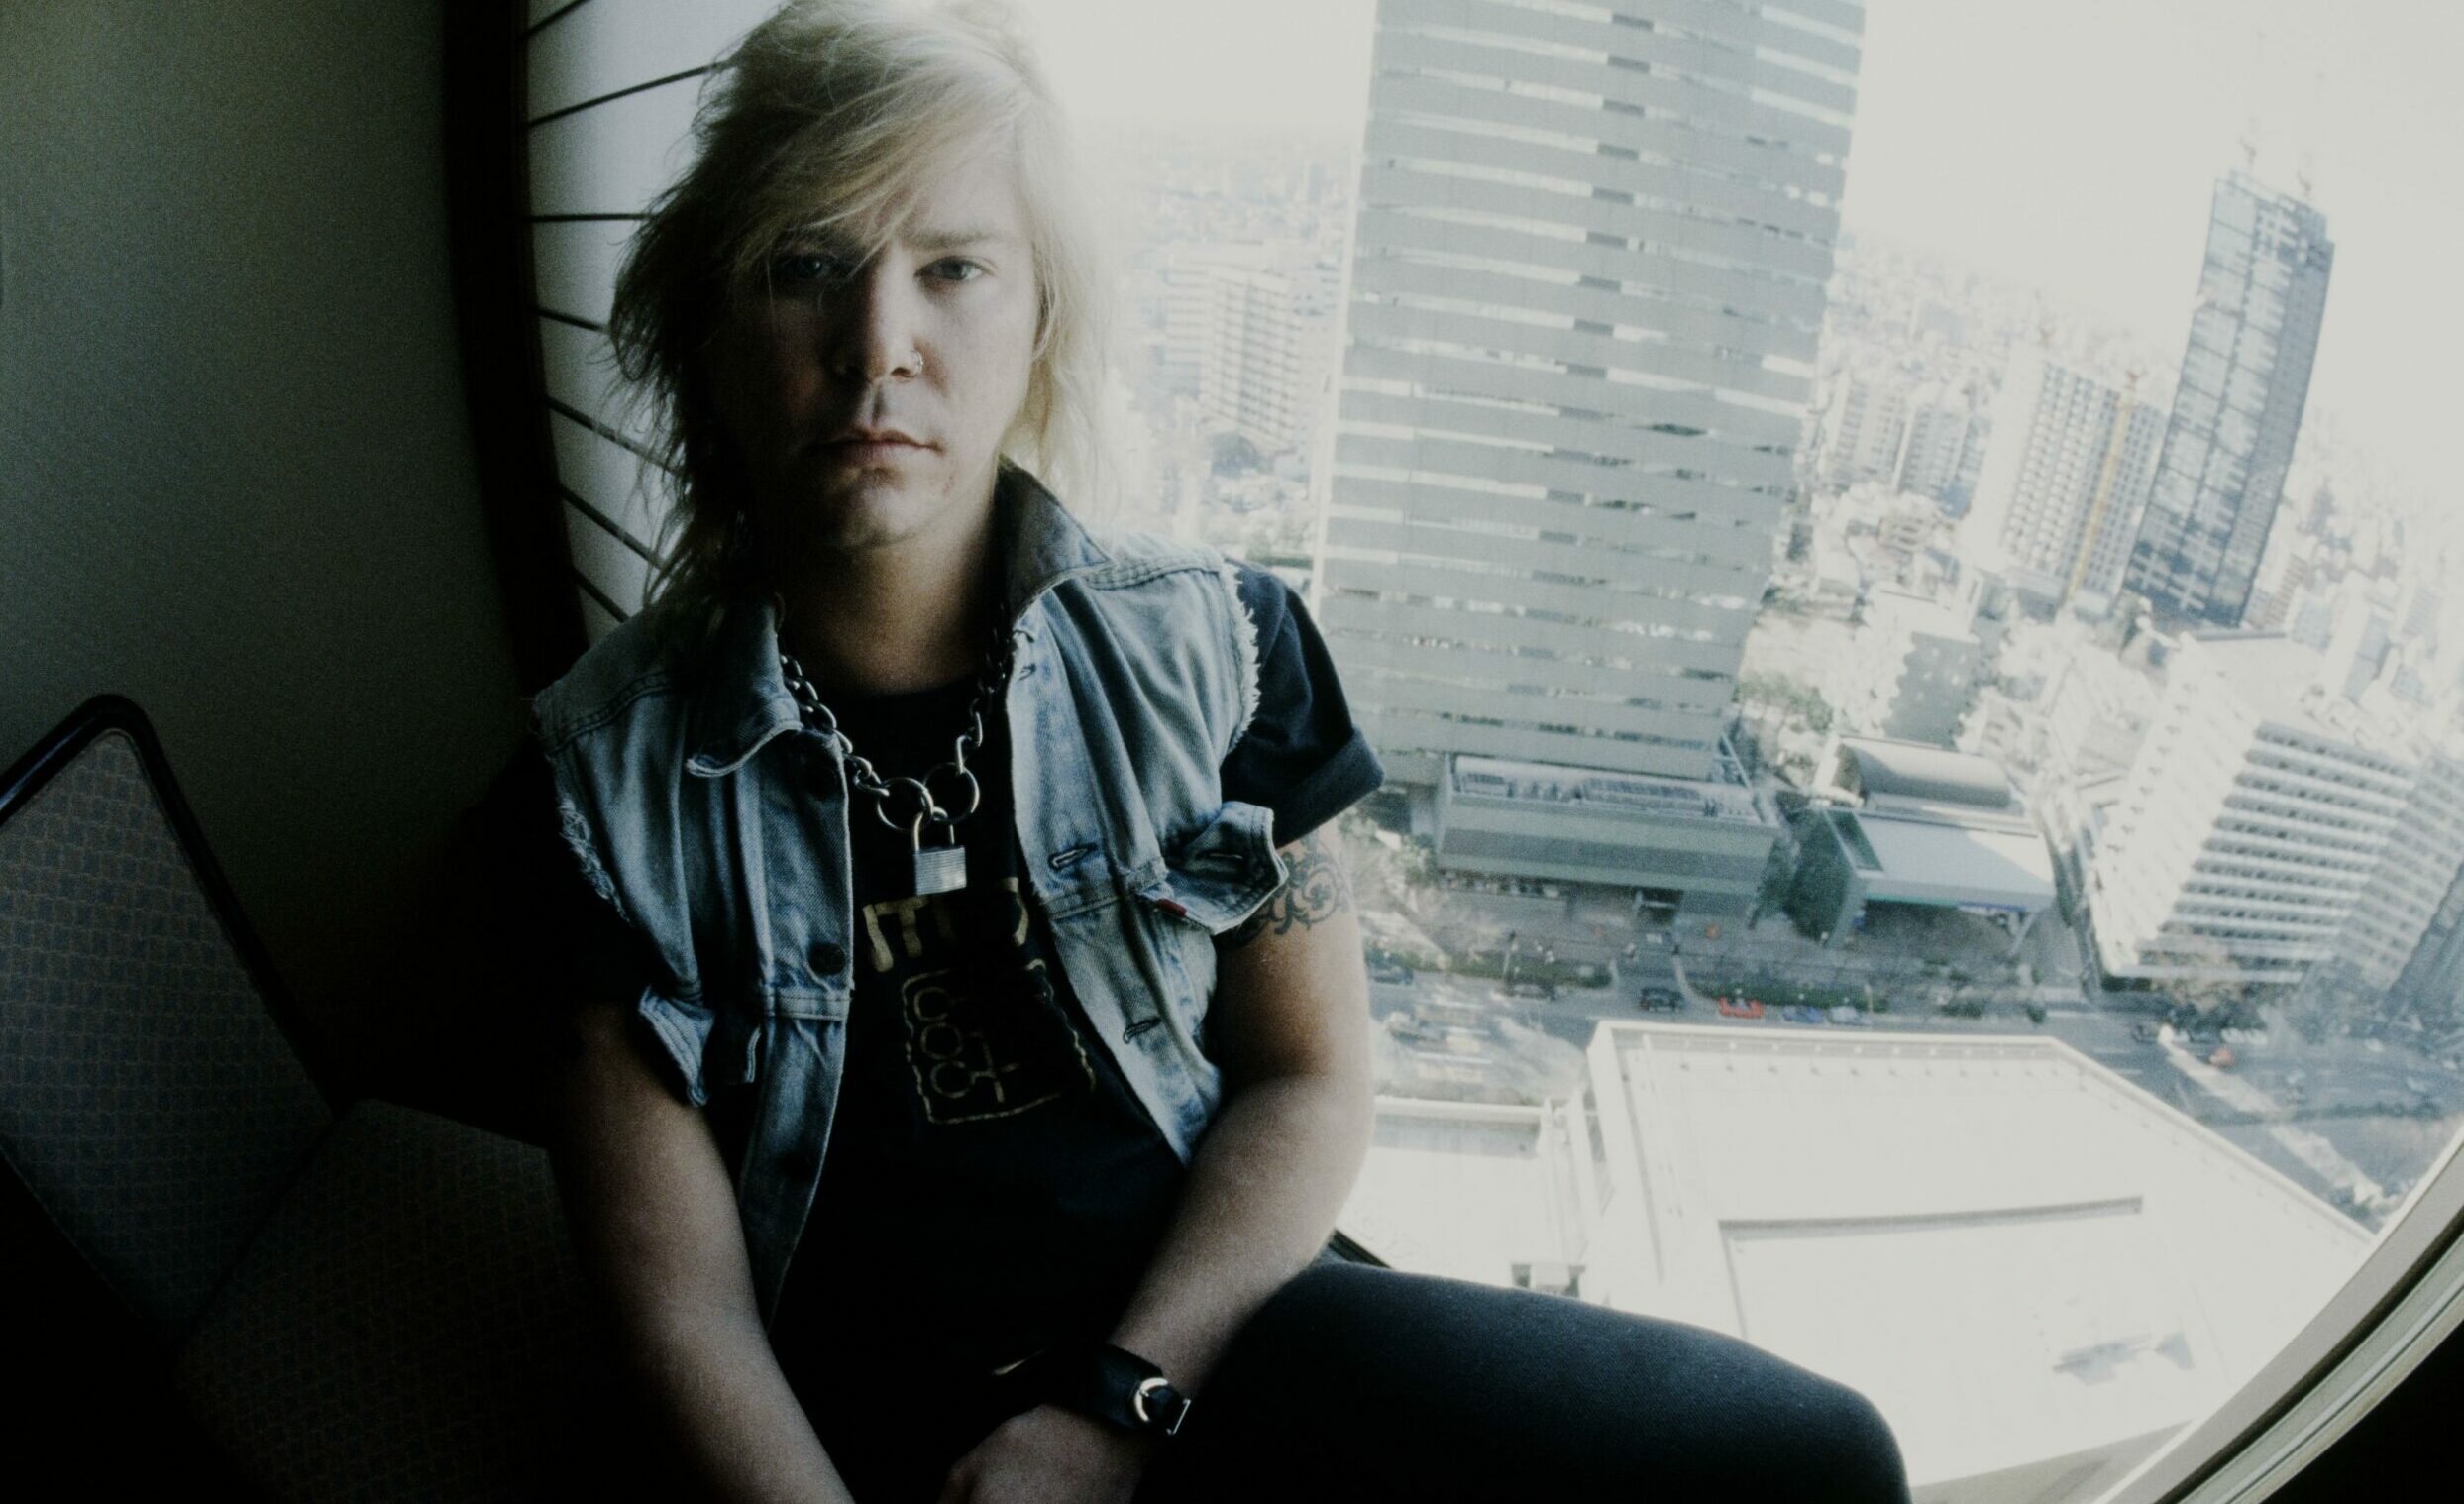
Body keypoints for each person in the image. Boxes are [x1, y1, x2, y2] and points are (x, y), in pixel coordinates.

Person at [491, 2, 1912, 1499]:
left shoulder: (1220, 656)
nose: (879, 344)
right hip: (837, 1428)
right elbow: (682, 1307)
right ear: (710, 329)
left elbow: (1308, 1078)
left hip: (1201, 1343)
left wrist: (1115, 1410)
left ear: (1038, 315)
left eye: (954, 267)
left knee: (1807, 1459)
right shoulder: (600, 795)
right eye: (804, 266)